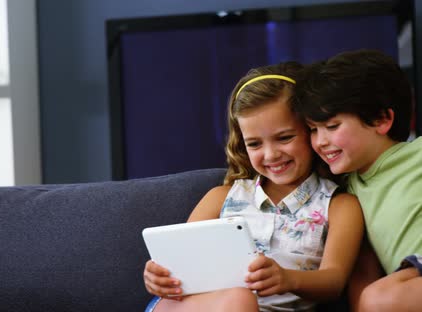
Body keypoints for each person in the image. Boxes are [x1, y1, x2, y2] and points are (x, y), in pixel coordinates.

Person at [142, 62, 364, 312]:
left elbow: (333, 281)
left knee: (240, 300)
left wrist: (288, 278)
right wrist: (158, 276)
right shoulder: (220, 198)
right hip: (197, 306)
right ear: (242, 144)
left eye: (284, 138)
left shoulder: (339, 205)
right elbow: (180, 264)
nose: (271, 155)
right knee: (238, 299)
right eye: (255, 144)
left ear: (311, 130)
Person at [293, 49, 422, 312]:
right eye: (313, 130)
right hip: (406, 282)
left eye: (332, 126)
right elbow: (363, 274)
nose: (320, 141)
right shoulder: (347, 195)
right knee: (376, 299)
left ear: (381, 119)